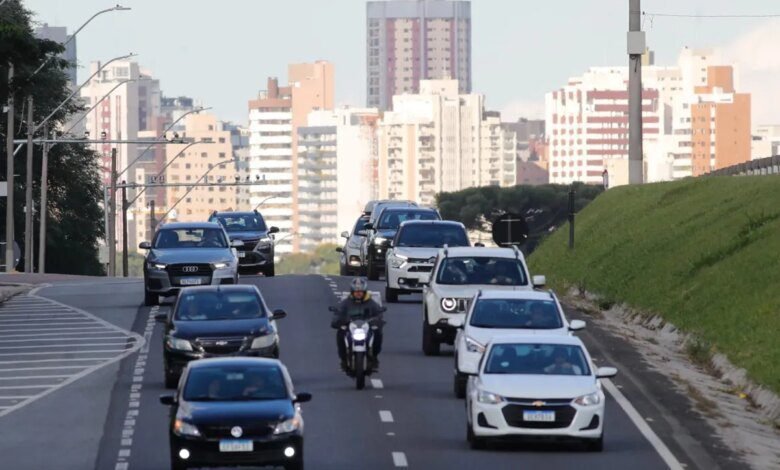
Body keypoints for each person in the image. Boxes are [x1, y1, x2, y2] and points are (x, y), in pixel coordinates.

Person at [331, 277, 385, 370]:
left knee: (378, 333)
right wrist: (338, 321)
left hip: (366, 327)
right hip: (351, 327)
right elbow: (338, 313)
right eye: (356, 291)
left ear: (364, 292)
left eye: (360, 291)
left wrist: (377, 320)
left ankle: (374, 357)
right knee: (340, 333)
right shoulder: (346, 303)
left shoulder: (371, 302)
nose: (358, 293)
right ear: (352, 292)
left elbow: (378, 313)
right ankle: (344, 359)